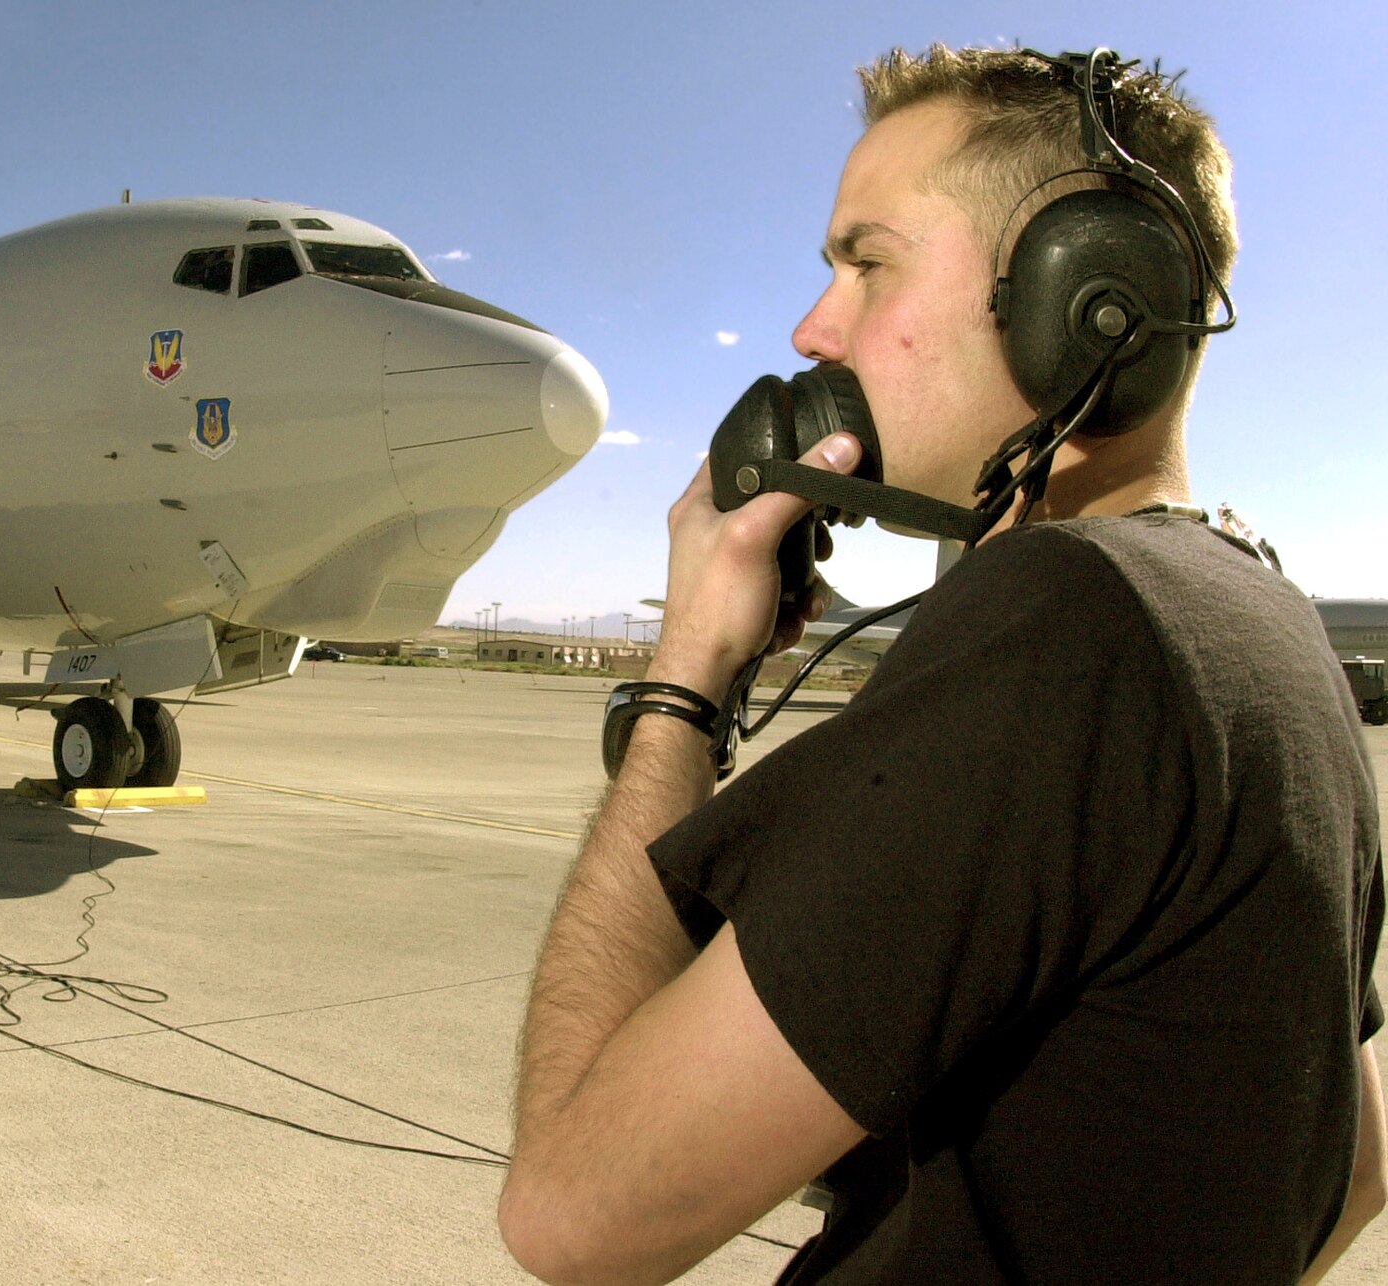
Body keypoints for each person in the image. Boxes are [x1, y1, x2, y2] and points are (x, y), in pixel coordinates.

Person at [498, 44, 1384, 1284]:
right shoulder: (1262, 621)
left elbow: (575, 1214)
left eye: (866, 262)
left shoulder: (1061, 619)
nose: (812, 328)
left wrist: (683, 677)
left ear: (1090, 301)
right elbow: (1351, 1166)